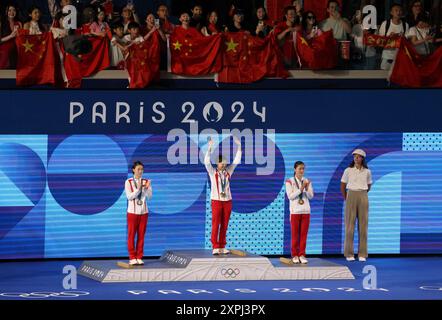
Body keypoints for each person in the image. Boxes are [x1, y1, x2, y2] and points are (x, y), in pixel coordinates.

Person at [205, 136, 242, 255]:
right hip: (216, 201)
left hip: (228, 201)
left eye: (225, 163)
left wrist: (239, 146)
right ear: (217, 163)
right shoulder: (212, 172)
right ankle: (215, 246)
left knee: (225, 224)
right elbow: (206, 162)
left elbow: (236, 161)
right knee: (216, 223)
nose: (224, 165)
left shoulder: (228, 172)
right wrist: (210, 148)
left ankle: (222, 245)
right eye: (221, 163)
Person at [340, 149, 372, 262]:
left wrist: (362, 195)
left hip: (363, 195)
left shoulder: (367, 171)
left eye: (358, 157)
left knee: (363, 226)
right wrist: (347, 198)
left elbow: (369, 186)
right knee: (350, 226)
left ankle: (362, 253)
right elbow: (343, 185)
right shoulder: (348, 170)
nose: (356, 158)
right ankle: (349, 253)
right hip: (351, 195)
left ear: (362, 158)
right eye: (355, 156)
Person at [285, 161, 314, 264]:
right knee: (295, 235)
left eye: (303, 169)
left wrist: (306, 189)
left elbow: (311, 196)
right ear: (294, 169)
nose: (302, 171)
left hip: (306, 211)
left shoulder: (307, 181)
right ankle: (295, 255)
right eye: (300, 168)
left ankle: (302, 254)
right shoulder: (289, 181)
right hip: (295, 212)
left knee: (303, 235)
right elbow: (290, 196)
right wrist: (300, 189)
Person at [125, 161, 152, 266]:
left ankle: (139, 257)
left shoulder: (146, 181)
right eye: (138, 169)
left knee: (141, 235)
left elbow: (149, 197)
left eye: (142, 169)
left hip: (144, 212)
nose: (140, 171)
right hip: (132, 212)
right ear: (133, 170)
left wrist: (147, 188)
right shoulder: (128, 182)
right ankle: (132, 257)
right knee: (131, 235)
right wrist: (139, 188)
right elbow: (129, 197)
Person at [378, 3, 409, 70]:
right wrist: (389, 37)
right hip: (387, 57)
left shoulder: (405, 25)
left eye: (400, 10)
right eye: (396, 10)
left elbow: (407, 42)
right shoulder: (385, 23)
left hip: (400, 57)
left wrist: (403, 37)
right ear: (391, 12)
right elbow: (380, 41)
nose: (398, 12)